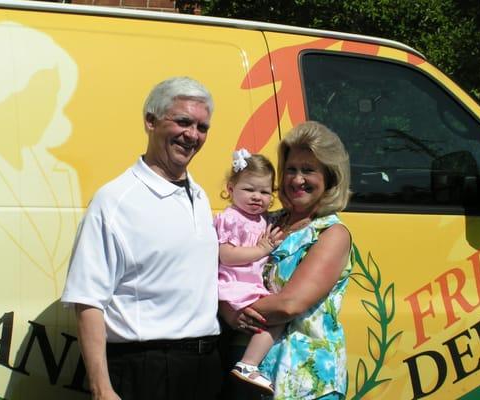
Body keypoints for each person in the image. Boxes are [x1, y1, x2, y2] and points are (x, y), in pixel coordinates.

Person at [61, 76, 222, 400]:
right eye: (183, 121)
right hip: (146, 370)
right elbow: (88, 300)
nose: (192, 135)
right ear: (150, 121)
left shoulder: (199, 194)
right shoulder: (116, 200)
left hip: (204, 368)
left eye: (202, 127)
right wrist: (102, 389)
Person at [220, 121, 354, 400]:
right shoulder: (268, 220)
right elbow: (224, 268)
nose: (297, 179)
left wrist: (234, 306)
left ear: (330, 177)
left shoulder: (331, 233)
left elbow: (290, 303)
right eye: (291, 169)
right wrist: (227, 308)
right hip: (254, 379)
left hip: (305, 381)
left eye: (308, 170)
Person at [214, 149, 284, 395]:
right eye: (249, 190)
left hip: (250, 286)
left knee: (273, 321)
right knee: (277, 317)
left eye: (265, 192)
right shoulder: (231, 218)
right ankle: (248, 364)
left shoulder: (263, 220)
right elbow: (227, 255)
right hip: (236, 284)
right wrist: (261, 249)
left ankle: (250, 363)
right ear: (231, 189)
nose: (257, 197)